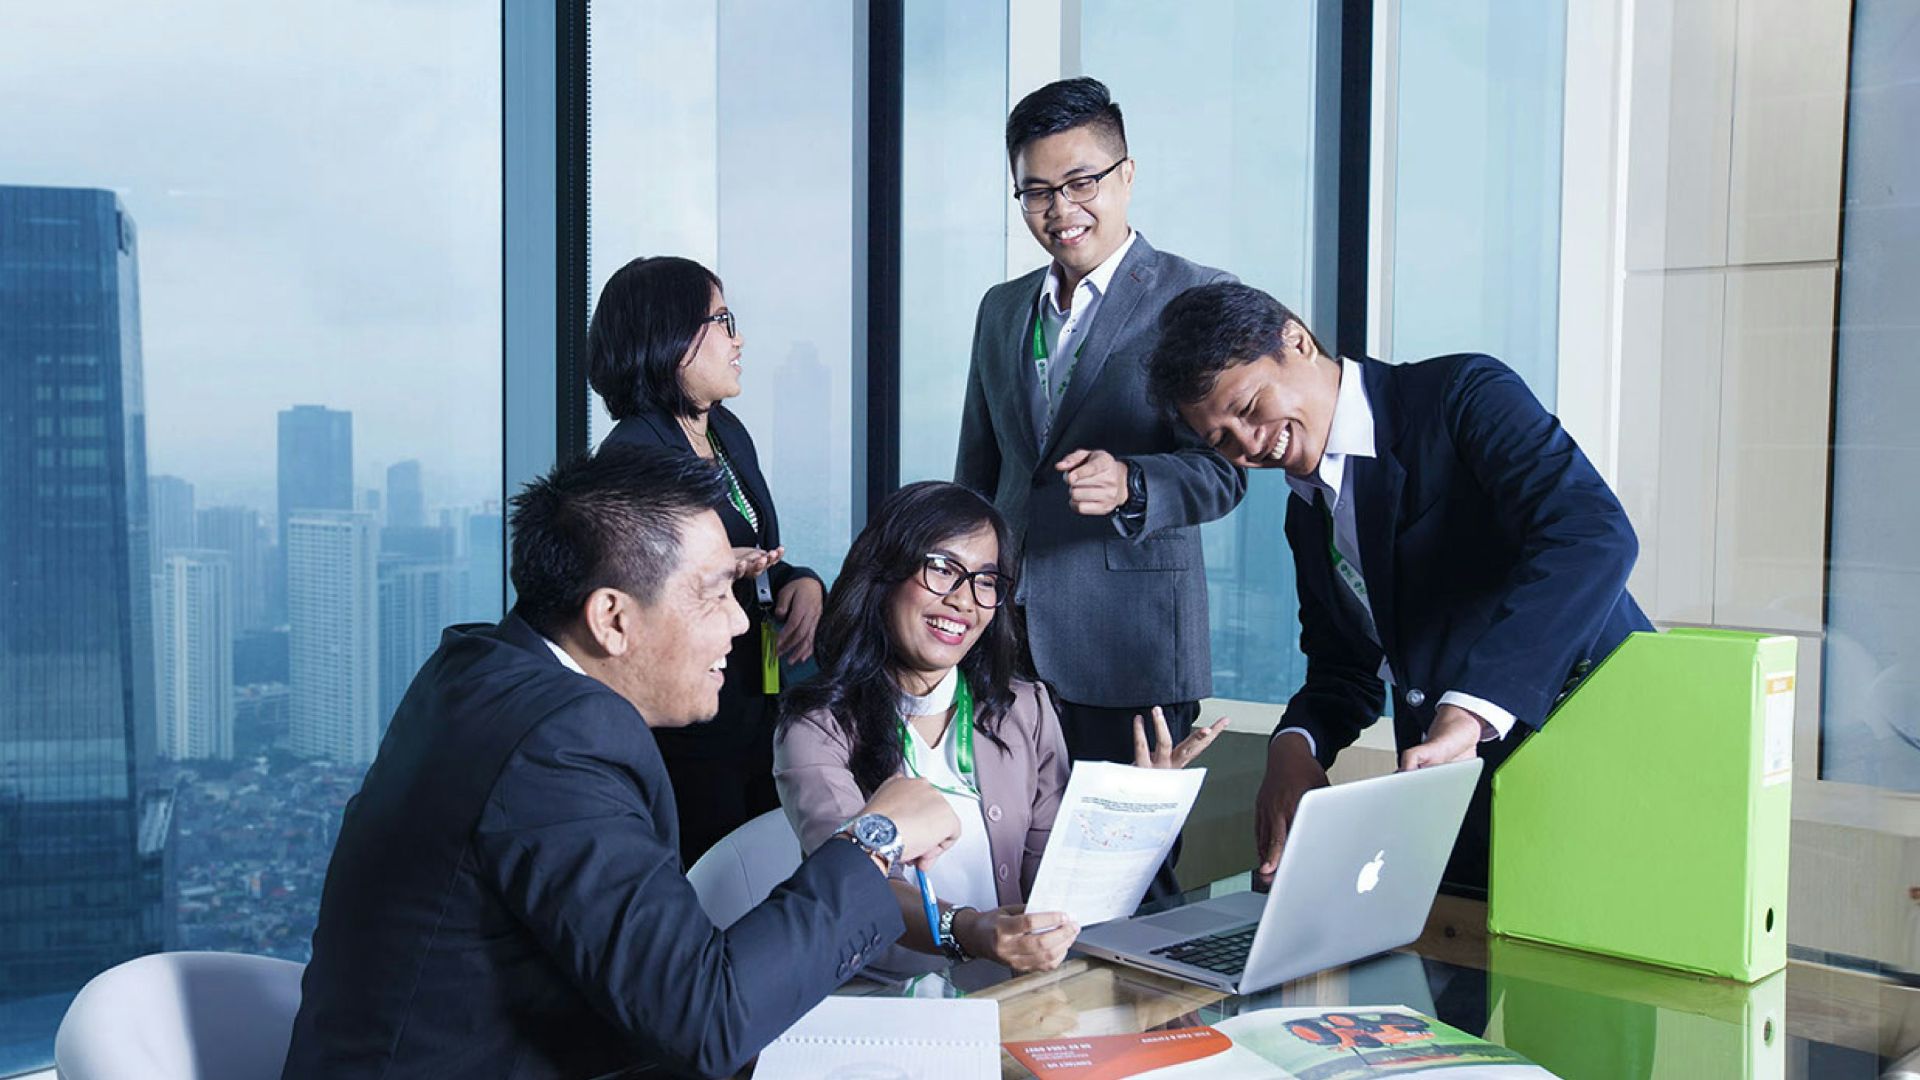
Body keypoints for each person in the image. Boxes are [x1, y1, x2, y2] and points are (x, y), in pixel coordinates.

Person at [282, 448, 961, 1079]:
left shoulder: (475, 669)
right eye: (714, 593)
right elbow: (707, 1017)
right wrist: (875, 837)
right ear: (611, 618)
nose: (736, 623)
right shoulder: (560, 741)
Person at [1143, 282, 1654, 894]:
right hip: (1457, 805)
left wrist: (1470, 710)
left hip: (1600, 768)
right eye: (1222, 439)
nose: (1250, 445)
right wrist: (1294, 747)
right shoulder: (1307, 513)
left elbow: (1592, 534)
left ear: (1297, 341)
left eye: (1250, 407)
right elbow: (1346, 668)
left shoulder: (1460, 395)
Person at [953, 77, 1245, 899]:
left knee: (1129, 880)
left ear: (1125, 175)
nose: (1061, 209)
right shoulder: (1001, 310)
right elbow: (979, 476)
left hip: (1132, 649)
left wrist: (1134, 484)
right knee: (1017, 874)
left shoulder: (1197, 298)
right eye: (1037, 191)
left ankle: (1156, 1033)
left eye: (1081, 182)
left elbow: (1229, 468)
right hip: (1007, 640)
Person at [775, 481, 1224, 973]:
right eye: (942, 569)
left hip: (1005, 997)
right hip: (877, 1002)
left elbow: (1050, 887)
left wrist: (1133, 817)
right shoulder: (817, 726)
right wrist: (969, 930)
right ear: (884, 572)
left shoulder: (1022, 710)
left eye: (986, 581)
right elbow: (852, 882)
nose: (965, 601)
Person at [589, 254, 826, 867]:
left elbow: (755, 545)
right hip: (689, 732)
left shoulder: (723, 429)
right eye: (721, 320)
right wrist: (716, 571)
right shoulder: (631, 461)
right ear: (668, 340)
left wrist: (797, 581)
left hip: (751, 706)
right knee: (713, 883)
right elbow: (632, 607)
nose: (737, 337)